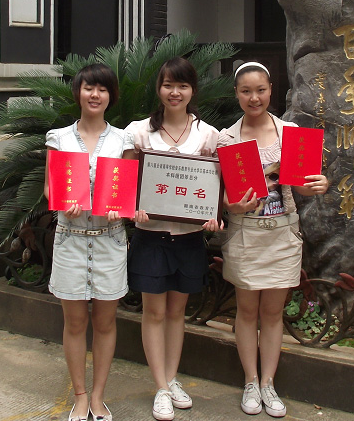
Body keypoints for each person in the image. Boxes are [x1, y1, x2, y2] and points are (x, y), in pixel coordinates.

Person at [218, 62, 329, 418]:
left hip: (282, 233)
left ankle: (269, 383)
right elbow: (221, 195)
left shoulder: (290, 133)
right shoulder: (227, 138)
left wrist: (318, 184)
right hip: (245, 234)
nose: (254, 98)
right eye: (246, 91)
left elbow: (302, 185)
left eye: (261, 90)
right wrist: (232, 205)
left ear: (270, 90)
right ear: (236, 94)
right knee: (247, 311)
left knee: (272, 312)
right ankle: (250, 381)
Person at [123, 57, 222, 421]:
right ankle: (161, 388)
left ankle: (171, 377)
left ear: (193, 90)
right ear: (159, 88)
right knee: (154, 312)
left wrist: (213, 214)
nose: (174, 92)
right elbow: (127, 182)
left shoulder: (209, 135)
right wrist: (133, 207)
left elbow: (216, 186)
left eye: (182, 85)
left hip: (190, 239)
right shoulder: (138, 132)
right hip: (150, 238)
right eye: (168, 84)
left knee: (177, 313)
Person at [44, 63, 127, 421]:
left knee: (106, 323)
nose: (95, 95)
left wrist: (121, 210)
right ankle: (79, 395)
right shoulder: (58, 138)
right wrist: (63, 202)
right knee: (75, 323)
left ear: (111, 96)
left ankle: (97, 397)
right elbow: (50, 188)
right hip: (71, 239)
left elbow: (127, 190)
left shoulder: (123, 140)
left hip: (110, 240)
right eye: (89, 88)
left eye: (103, 89)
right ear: (77, 91)